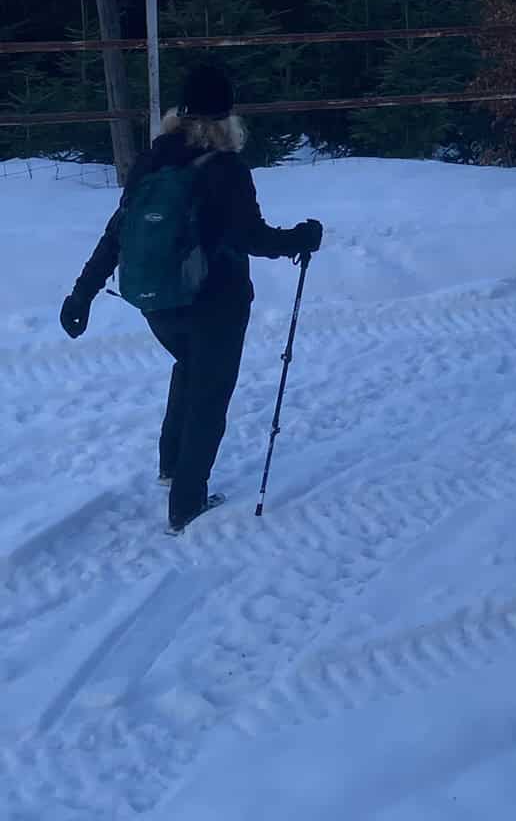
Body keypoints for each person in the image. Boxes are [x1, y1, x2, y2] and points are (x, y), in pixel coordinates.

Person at [59, 62, 324, 533]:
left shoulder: (152, 160)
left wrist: (81, 294)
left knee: (188, 367)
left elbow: (117, 232)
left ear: (178, 113)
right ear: (227, 118)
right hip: (215, 302)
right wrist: (301, 239)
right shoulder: (226, 168)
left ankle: (169, 467)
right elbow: (253, 239)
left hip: (156, 302)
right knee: (210, 393)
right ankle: (187, 503)